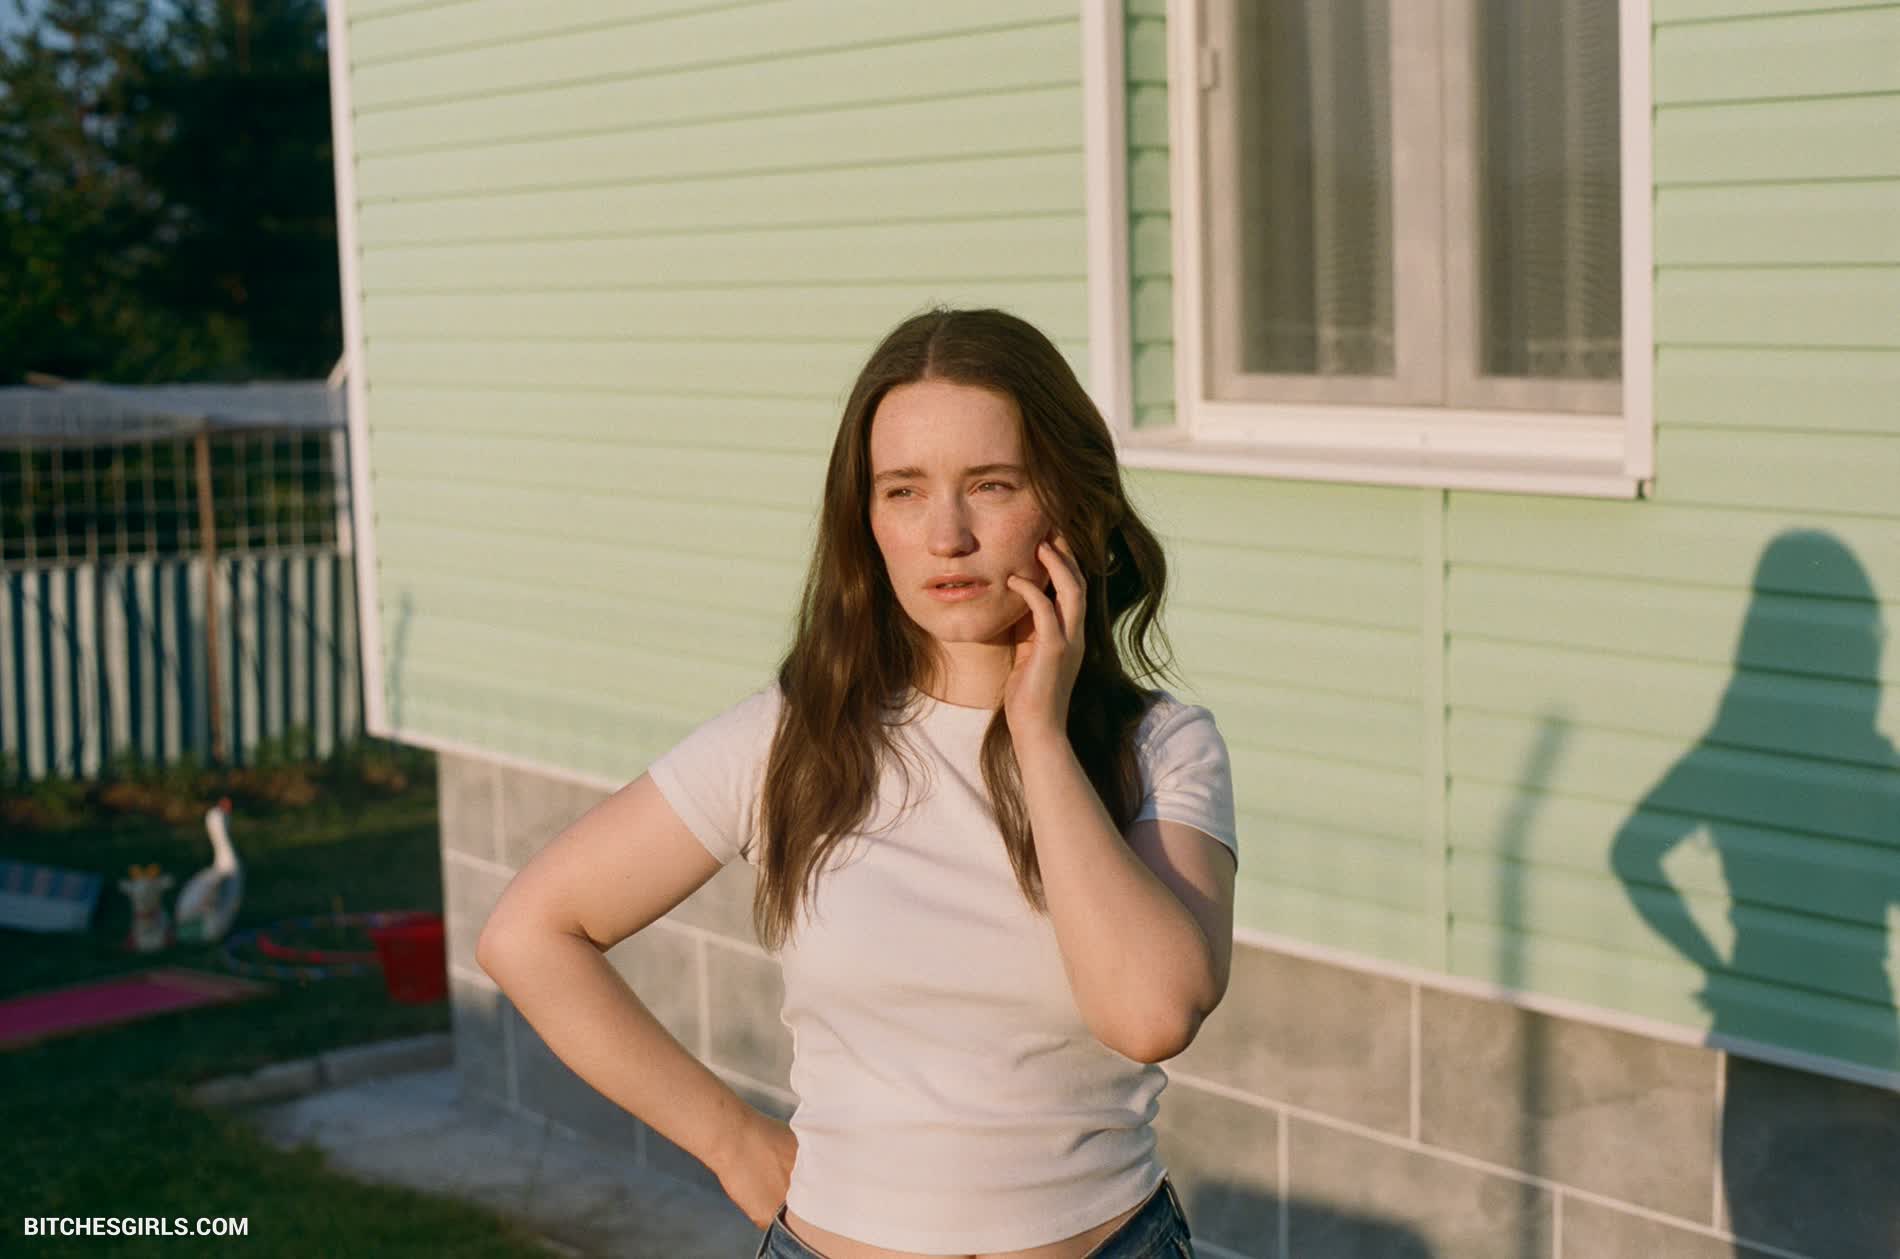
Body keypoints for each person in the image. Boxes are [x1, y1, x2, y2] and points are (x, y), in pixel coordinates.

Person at [478, 306, 1240, 1259]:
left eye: (991, 484)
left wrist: (1038, 736)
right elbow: (529, 934)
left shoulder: (1160, 747)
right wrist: (730, 1140)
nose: (947, 535)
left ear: (1066, 500)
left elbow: (1152, 1013)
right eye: (904, 491)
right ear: (867, 520)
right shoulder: (794, 737)